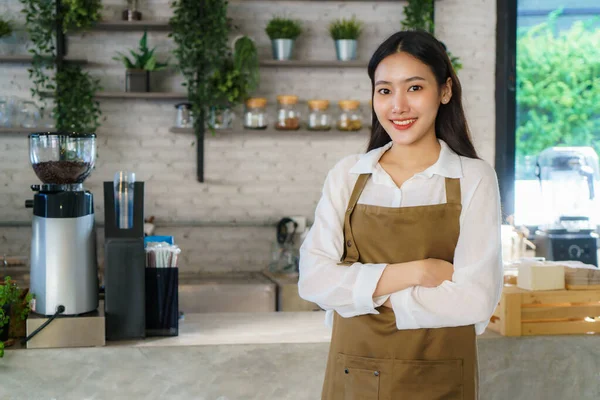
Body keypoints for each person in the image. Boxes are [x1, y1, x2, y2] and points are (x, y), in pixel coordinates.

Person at [298, 30, 503, 400]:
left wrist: (361, 295)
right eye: (384, 90)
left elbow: (475, 299)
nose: (398, 106)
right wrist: (418, 272)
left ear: (444, 91)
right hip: (354, 374)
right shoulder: (347, 175)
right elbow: (313, 281)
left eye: (414, 88)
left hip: (442, 378)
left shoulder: (473, 177)